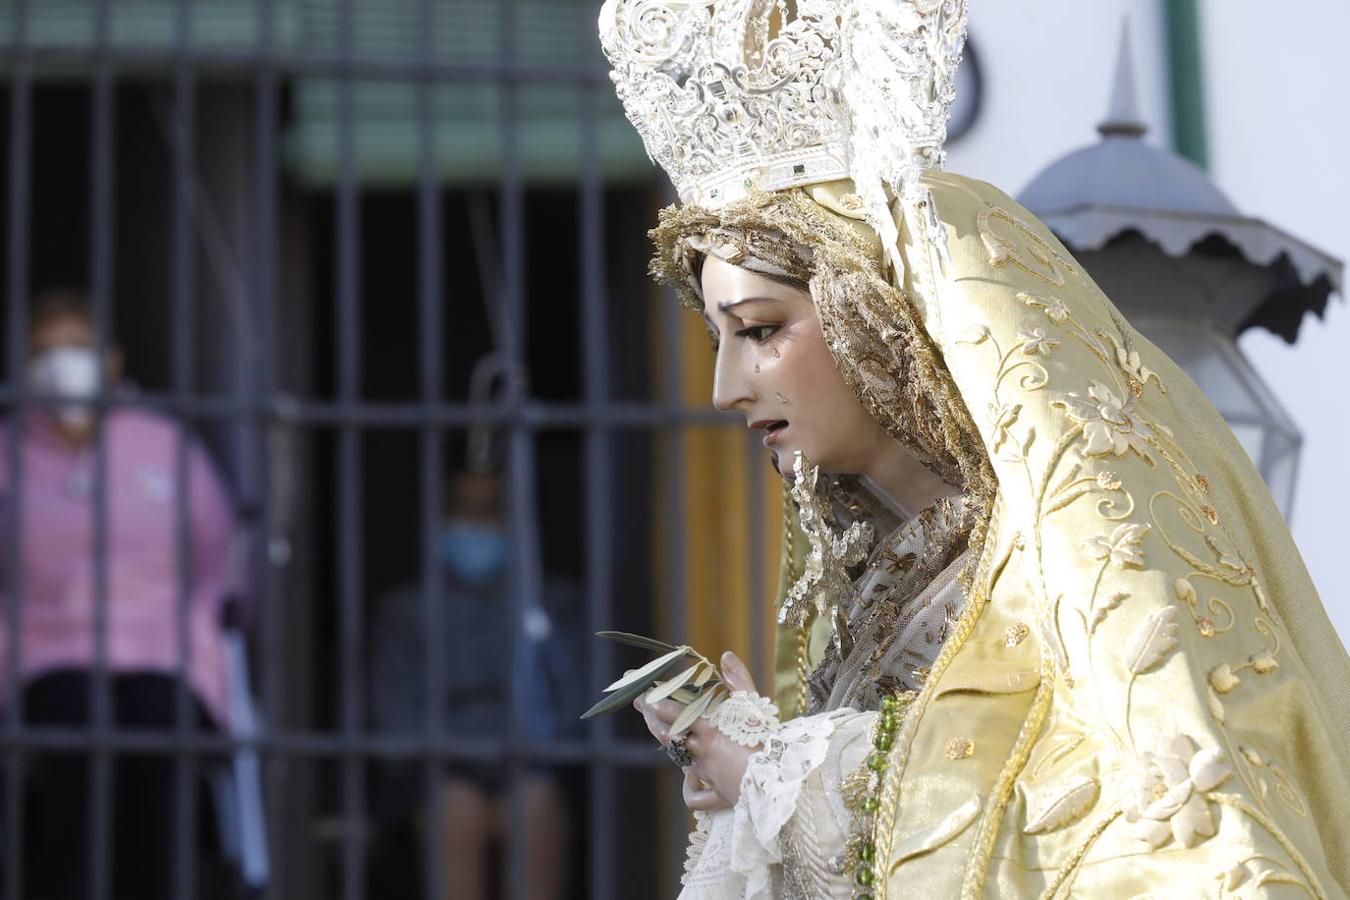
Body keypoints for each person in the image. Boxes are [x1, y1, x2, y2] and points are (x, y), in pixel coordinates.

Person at [597, 0, 1350, 897]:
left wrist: (786, 782)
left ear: (876, 314)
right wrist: (762, 781)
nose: (725, 387)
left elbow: (1144, 837)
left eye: (759, 329)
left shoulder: (1066, 561)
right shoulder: (884, 580)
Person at [0, 289, 240, 900]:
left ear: (112, 360)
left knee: (157, 729)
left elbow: (220, 557)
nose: (61, 364)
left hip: (165, 654)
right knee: (74, 728)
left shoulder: (164, 443)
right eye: (44, 351)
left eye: (77, 347)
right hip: (45, 655)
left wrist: (207, 632)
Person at [370, 467, 574, 900]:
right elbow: (394, 711)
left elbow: (576, 698)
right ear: (442, 516)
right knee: (455, 810)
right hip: (441, 768)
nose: (477, 523)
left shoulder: (550, 601)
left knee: (534, 807)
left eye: (490, 510)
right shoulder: (407, 610)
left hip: (529, 763)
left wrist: (538, 751)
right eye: (465, 509)